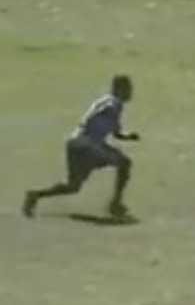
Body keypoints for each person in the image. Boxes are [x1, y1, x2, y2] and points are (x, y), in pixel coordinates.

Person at [24, 75, 140, 218]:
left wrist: (129, 136)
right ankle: (115, 203)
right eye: (128, 89)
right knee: (125, 163)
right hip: (88, 145)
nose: (131, 93)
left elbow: (116, 133)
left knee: (73, 186)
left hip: (75, 143)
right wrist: (93, 138)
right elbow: (95, 117)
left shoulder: (112, 105)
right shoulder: (112, 103)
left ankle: (35, 195)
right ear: (119, 89)